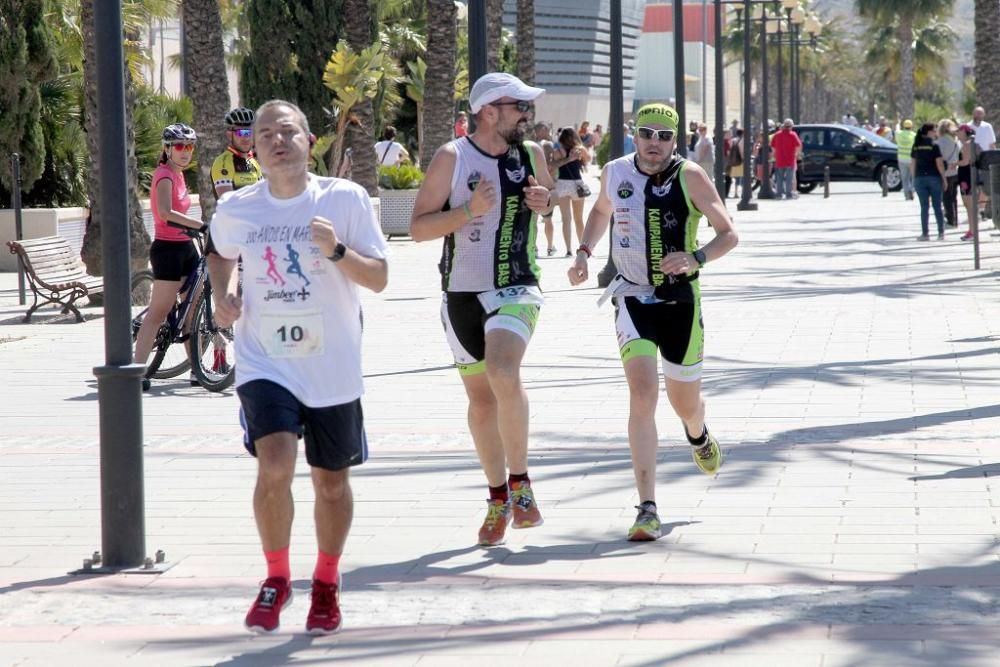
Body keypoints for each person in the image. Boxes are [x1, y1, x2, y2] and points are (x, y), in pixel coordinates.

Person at [207, 100, 388, 635]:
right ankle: (277, 578)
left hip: (332, 364)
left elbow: (378, 278)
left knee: (331, 484)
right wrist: (224, 294)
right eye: (265, 135)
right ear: (254, 149)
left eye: (287, 131)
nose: (276, 141)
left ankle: (327, 583)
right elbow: (220, 255)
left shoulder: (346, 200)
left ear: (310, 141)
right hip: (266, 361)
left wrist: (334, 252)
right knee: (277, 463)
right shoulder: (238, 208)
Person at [567, 103, 738, 541]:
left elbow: (728, 232)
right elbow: (601, 211)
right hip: (631, 297)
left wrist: (695, 257)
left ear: (675, 140)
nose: (655, 143)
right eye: (647, 133)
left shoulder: (691, 176)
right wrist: (585, 252)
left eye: (665, 136)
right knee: (642, 394)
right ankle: (647, 507)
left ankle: (697, 434)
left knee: (685, 405)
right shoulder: (615, 171)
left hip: (680, 300)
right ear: (634, 134)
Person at [409, 73, 556, 547]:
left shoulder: (530, 154)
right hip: (461, 295)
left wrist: (545, 204)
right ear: (489, 111)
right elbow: (417, 229)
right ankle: (497, 498)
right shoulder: (451, 158)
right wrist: (468, 211)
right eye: (518, 107)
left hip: (516, 285)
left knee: (503, 369)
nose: (526, 115)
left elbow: (548, 199)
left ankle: (521, 484)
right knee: (481, 401)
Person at [134, 124, 206, 392]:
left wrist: (196, 229)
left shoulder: (179, 175)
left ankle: (197, 370)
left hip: (187, 247)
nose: (185, 152)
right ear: (167, 149)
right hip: (167, 249)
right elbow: (164, 213)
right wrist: (200, 225)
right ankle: (137, 369)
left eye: (189, 146)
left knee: (191, 310)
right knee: (159, 311)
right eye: (179, 146)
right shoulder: (164, 175)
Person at [552, 127, 591, 256]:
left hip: (562, 184)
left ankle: (568, 249)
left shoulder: (558, 151)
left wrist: (567, 159)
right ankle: (583, 248)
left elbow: (552, 166)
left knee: (566, 219)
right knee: (579, 219)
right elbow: (588, 160)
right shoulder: (580, 149)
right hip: (577, 184)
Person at [212, 107, 263, 198]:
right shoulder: (223, 163)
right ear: (229, 134)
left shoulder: (254, 163)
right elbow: (228, 204)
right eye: (241, 132)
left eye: (250, 132)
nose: (246, 138)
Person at [912, 122, 947, 241]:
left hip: (919, 178)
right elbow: (939, 164)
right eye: (934, 130)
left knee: (924, 207)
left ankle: (925, 234)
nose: (936, 132)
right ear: (929, 132)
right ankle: (941, 233)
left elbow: (913, 164)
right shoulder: (934, 146)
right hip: (934, 178)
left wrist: (913, 179)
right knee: (937, 206)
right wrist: (944, 178)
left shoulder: (916, 146)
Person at [534, 122, 559, 256]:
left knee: (534, 220)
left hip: (534, 183)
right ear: (542, 130)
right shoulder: (547, 145)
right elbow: (552, 164)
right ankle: (549, 246)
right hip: (546, 184)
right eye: (548, 130)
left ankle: (535, 247)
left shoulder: (531, 146)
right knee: (548, 219)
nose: (549, 132)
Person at [937, 119, 961, 229]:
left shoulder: (939, 142)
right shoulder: (956, 141)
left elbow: (939, 159)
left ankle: (950, 220)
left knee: (946, 197)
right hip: (955, 171)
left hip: (944, 173)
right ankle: (955, 219)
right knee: (954, 197)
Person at [770, 119, 802, 200]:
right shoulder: (793, 134)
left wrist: (775, 154)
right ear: (791, 126)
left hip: (779, 160)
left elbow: (772, 146)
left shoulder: (777, 134)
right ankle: (788, 194)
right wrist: (796, 154)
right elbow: (798, 146)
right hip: (790, 160)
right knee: (789, 179)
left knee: (779, 178)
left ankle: (779, 194)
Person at [957, 124, 977, 241]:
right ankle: (971, 229)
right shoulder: (968, 144)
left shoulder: (967, 145)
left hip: (966, 175)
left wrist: (954, 163)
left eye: (959, 131)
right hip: (966, 175)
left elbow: (965, 162)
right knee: (968, 205)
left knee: (969, 205)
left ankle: (972, 231)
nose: (957, 134)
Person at [896, 119, 916, 201]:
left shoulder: (899, 134)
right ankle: (911, 189)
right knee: (913, 177)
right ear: (911, 126)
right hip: (911, 159)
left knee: (904, 178)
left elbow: (896, 139)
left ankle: (906, 195)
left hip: (901, 158)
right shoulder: (914, 135)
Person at [727, 128, 745, 198]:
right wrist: (743, 159)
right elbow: (741, 150)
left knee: (736, 177)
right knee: (742, 177)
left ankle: (736, 192)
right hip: (740, 161)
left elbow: (730, 150)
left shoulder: (733, 140)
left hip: (734, 161)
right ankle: (741, 192)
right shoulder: (742, 140)